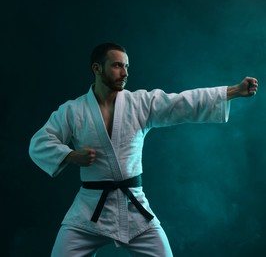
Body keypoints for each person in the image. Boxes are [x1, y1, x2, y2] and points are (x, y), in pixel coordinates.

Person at [29, 42, 258, 257]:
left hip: (134, 207)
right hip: (90, 210)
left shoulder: (140, 103)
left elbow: (181, 102)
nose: (125, 72)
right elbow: (40, 142)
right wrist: (70, 155)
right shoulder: (72, 111)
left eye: (126, 66)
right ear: (97, 68)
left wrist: (233, 91)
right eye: (118, 65)